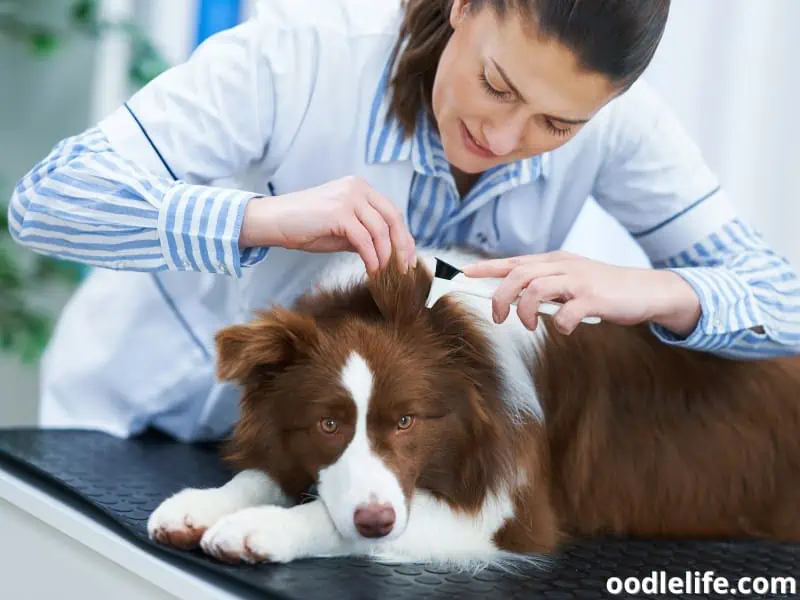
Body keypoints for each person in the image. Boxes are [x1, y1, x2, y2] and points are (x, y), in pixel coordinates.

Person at [8, 0, 800, 442]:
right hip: (129, 422)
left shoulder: (623, 131)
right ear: (463, 6)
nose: (504, 138)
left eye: (555, 127)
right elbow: (47, 201)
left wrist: (659, 292)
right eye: (496, 84)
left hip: (327, 469)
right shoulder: (297, 59)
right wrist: (262, 219)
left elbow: (785, 302)